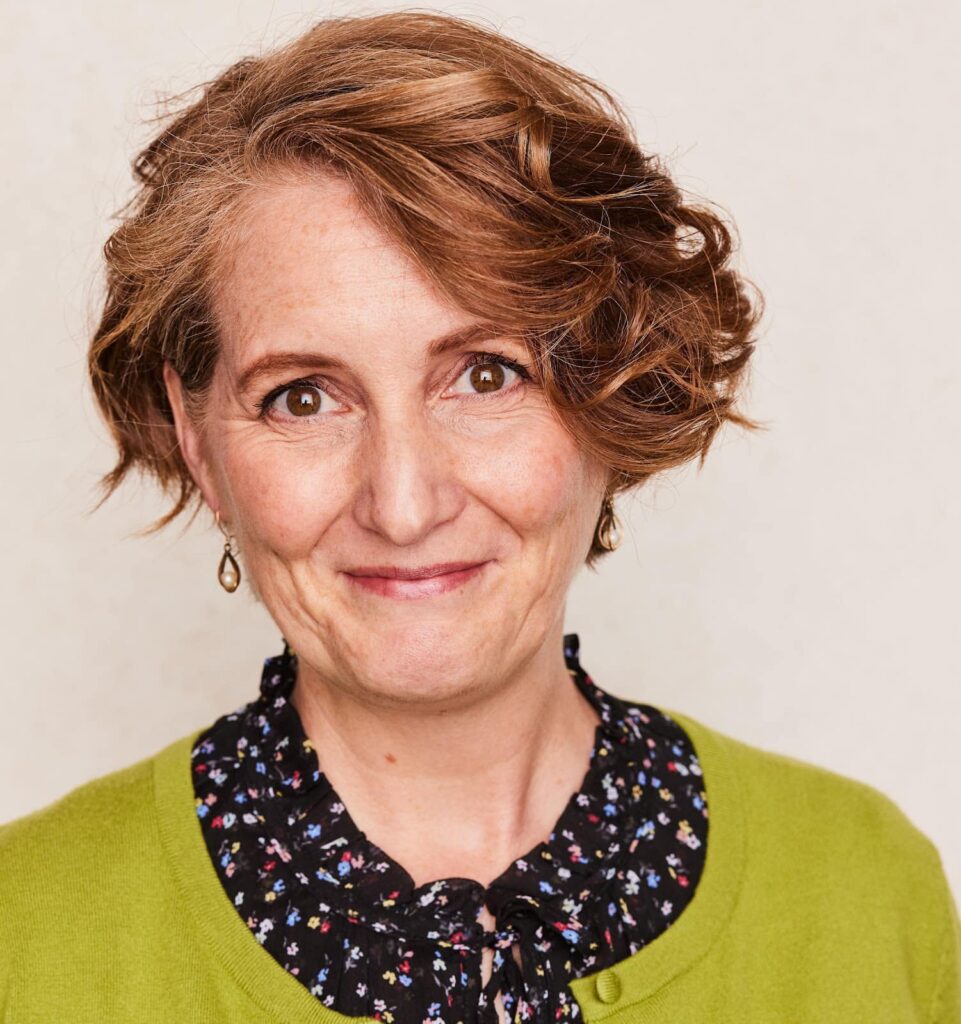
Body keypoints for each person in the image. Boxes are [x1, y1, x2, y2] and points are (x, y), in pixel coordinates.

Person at [1, 10, 958, 1023]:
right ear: (199, 440)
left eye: (486, 375)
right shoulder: (26, 934)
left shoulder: (865, 892)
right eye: (302, 396)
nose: (403, 505)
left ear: (612, 391)